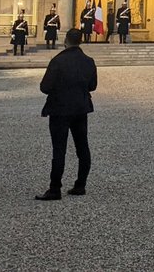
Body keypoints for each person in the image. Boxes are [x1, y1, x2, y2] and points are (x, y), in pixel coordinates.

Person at [35, 29, 97, 201]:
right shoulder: (89, 61)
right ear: (81, 41)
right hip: (80, 109)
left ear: (66, 40)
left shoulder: (58, 61)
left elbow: (45, 87)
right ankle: (80, 185)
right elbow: (92, 86)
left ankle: (55, 189)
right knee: (82, 147)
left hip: (60, 109)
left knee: (59, 150)